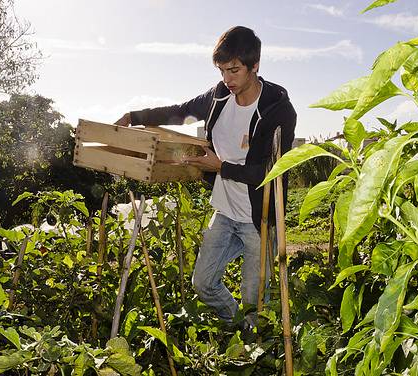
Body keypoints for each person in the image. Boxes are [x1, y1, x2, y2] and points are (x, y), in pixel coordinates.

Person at [115, 26, 296, 326]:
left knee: (254, 299)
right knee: (204, 283)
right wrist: (136, 117)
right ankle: (237, 327)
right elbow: (181, 110)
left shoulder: (278, 110)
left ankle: (252, 345)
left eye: (235, 70)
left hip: (258, 220)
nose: (228, 79)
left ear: (255, 65)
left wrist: (221, 167)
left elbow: (270, 172)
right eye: (222, 70)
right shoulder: (218, 96)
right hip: (224, 211)